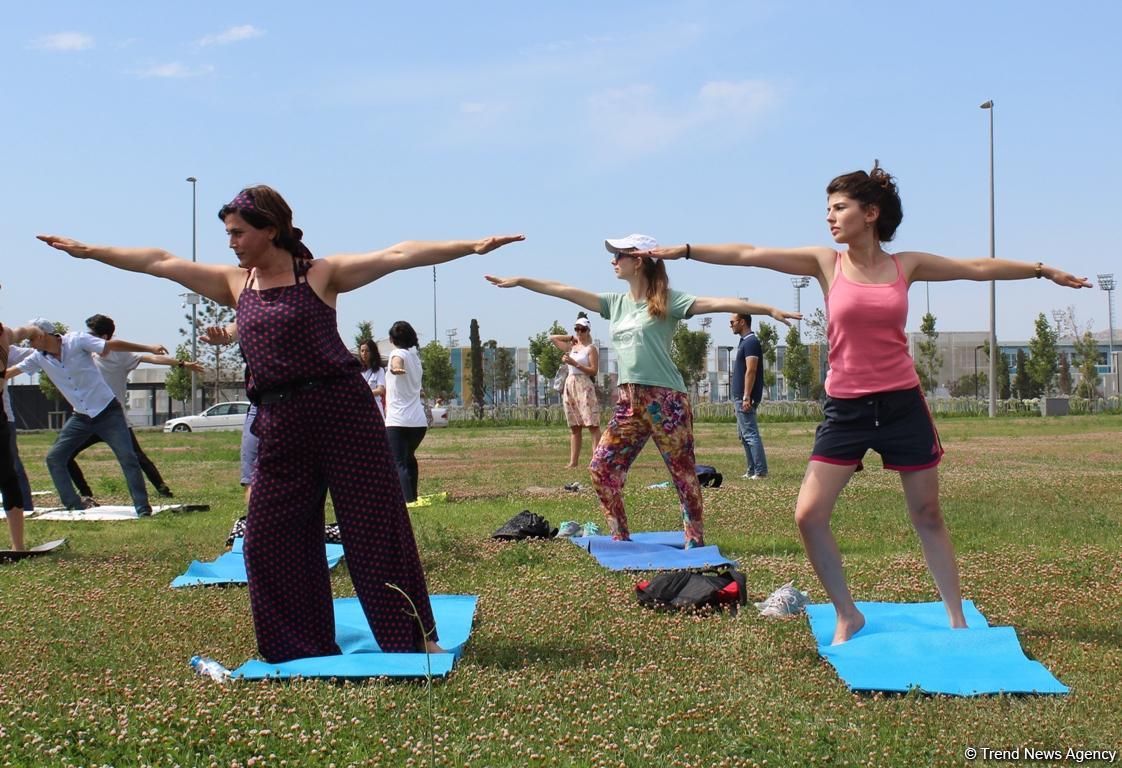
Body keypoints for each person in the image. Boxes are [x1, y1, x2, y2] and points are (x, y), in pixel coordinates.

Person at [39, 185, 522, 662]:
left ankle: (414, 638)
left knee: (376, 527)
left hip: (342, 413)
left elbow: (397, 253)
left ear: (271, 230)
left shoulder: (319, 275)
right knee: (268, 537)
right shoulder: (235, 284)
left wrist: (472, 246)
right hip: (279, 420)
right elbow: (159, 262)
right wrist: (88, 252)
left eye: (238, 233)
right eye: (228, 233)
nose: (231, 242)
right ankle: (299, 644)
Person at [646, 162, 1090, 643]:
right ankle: (847, 613)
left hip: (902, 404)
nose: (830, 218)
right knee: (808, 516)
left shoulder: (907, 266)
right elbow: (752, 254)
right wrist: (686, 252)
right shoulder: (826, 263)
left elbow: (974, 268)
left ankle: (957, 619)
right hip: (847, 409)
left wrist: (1042, 271)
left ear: (871, 213)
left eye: (840, 208)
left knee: (927, 514)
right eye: (828, 209)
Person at [487, 233, 799, 548]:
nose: (613, 261)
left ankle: (694, 539)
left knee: (683, 475)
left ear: (638, 261)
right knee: (600, 468)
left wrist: (768, 309)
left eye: (619, 255)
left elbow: (720, 303)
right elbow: (565, 291)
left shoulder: (668, 300)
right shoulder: (614, 303)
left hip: (667, 400)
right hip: (628, 400)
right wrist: (522, 280)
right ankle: (620, 536)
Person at [7, 319, 166, 517]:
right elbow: (11, 372)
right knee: (54, 458)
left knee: (128, 457)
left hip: (109, 413)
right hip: (81, 417)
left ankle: (142, 508)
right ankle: (74, 506)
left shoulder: (76, 340)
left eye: (31, 340)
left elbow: (110, 345)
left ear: (41, 335)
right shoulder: (39, 357)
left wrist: (148, 347)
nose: (29, 345)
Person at [65, 313, 205, 502]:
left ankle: (164, 491)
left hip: (114, 419)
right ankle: (86, 495)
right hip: (88, 419)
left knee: (137, 458)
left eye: (93, 335)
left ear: (105, 337)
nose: (87, 338)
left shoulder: (121, 355)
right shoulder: (85, 352)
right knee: (63, 456)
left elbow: (151, 359)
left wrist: (181, 363)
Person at [0, 321, 39, 550]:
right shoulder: (4, 333)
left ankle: (19, 546)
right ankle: (18, 546)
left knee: (9, 479)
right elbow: (20, 332)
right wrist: (34, 331)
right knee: (8, 479)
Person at [550, 316, 601, 468]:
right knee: (574, 426)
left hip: (584, 385)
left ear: (588, 330)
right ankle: (573, 461)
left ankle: (596, 460)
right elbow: (552, 338)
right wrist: (571, 337)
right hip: (570, 384)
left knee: (592, 424)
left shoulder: (591, 348)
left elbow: (593, 371)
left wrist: (575, 363)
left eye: (582, 329)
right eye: (577, 329)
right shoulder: (572, 347)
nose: (579, 332)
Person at [384, 321, 426, 503]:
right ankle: (412, 497)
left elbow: (396, 361)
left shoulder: (397, 353)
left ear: (392, 339)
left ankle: (406, 501)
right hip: (418, 422)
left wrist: (395, 368)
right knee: (408, 458)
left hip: (398, 421)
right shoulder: (415, 359)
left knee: (398, 462)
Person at [730, 313, 767, 479]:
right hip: (739, 396)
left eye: (732, 322)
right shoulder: (744, 342)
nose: (730, 325)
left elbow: (751, 370)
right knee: (743, 435)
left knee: (750, 434)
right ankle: (752, 469)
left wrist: (746, 396)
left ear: (742, 322)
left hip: (745, 397)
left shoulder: (751, 342)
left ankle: (760, 471)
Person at [358, 338, 387, 419]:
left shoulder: (379, 370)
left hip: (375, 409)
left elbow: (380, 390)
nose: (364, 353)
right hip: (360, 408)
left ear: (373, 352)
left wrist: (363, 393)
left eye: (367, 351)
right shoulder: (357, 370)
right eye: (362, 351)